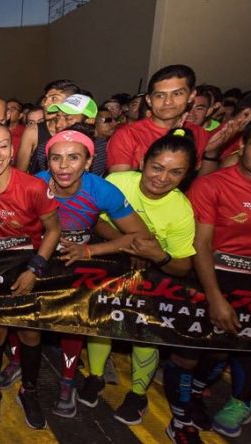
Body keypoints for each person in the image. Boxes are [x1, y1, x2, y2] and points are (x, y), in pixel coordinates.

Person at [175, 112, 251, 442]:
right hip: (212, 275)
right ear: (242, 145)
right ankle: (184, 406)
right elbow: (201, 243)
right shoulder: (213, 184)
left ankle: (234, 401)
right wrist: (214, 296)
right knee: (195, 349)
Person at [79, 130, 198, 428]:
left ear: (187, 174)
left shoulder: (182, 209)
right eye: (157, 167)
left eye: (175, 172)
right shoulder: (118, 182)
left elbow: (184, 266)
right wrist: (127, 242)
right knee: (101, 321)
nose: (162, 177)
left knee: (144, 332)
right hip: (110, 263)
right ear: (143, 161)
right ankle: (95, 376)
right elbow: (93, 218)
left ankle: (138, 393)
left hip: (154, 275)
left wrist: (157, 255)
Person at [34, 130, 149, 419]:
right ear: (47, 162)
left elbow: (141, 236)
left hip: (78, 258)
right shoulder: (36, 184)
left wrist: (89, 252)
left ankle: (68, 379)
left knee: (75, 317)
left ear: (88, 162)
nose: (63, 166)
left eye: (73, 158)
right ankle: (18, 367)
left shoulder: (102, 190)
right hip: (39, 257)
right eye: (56, 158)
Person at [0, 123, 61, 430]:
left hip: (27, 266)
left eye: (3, 146)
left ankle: (29, 391)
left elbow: (54, 229)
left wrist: (35, 269)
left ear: (13, 149)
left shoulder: (32, 187)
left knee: (31, 334)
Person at [107, 64, 210, 173]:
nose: (168, 102)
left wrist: (212, 154)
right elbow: (119, 184)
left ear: (191, 96)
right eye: (160, 95)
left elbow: (202, 183)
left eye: (177, 93)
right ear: (149, 100)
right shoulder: (127, 135)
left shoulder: (198, 133)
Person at [16, 79, 80, 173]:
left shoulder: (80, 131)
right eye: (46, 99)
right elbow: (20, 173)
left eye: (54, 98)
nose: (45, 104)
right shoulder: (33, 131)